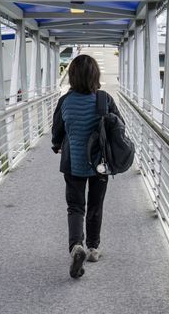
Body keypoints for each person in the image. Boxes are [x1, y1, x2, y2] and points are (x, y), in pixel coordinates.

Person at [51, 54, 123, 279]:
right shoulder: (104, 99)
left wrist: (56, 145)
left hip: (73, 162)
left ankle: (76, 246)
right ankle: (92, 248)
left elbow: (57, 130)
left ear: (72, 76)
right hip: (100, 163)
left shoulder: (65, 101)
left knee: (75, 206)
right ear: (95, 75)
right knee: (95, 205)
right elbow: (119, 128)